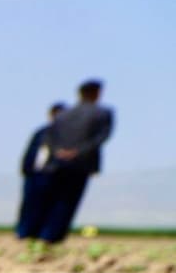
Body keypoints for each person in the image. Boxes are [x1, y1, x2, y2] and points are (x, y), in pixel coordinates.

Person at [37, 79, 114, 243]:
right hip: (81, 163)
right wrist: (77, 152)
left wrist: (59, 151)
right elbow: (102, 137)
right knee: (68, 201)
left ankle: (44, 234)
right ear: (96, 93)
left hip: (58, 163)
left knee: (54, 198)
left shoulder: (63, 114)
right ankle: (54, 237)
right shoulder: (103, 112)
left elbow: (49, 136)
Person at [15, 102, 65, 240]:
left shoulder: (67, 135)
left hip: (54, 175)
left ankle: (43, 235)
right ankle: (23, 232)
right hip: (35, 173)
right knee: (29, 205)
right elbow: (30, 151)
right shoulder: (41, 132)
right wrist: (26, 168)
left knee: (49, 206)